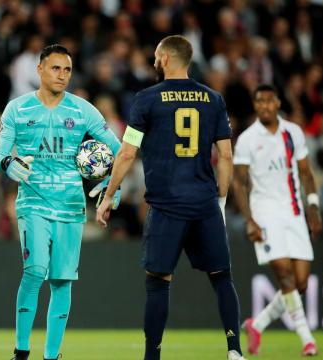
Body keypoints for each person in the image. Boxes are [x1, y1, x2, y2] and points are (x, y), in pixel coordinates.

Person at [96, 35, 245, 360]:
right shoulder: (213, 99)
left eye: (155, 55)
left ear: (164, 58)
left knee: (158, 282)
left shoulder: (147, 99)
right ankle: (234, 350)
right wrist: (219, 199)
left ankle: (153, 356)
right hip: (204, 203)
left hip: (166, 206)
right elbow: (226, 156)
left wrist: (109, 195)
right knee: (221, 277)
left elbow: (127, 152)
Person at [0, 44, 121, 360]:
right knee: (35, 271)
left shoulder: (83, 110)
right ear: (39, 70)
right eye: (55, 68)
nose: (62, 75)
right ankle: (21, 352)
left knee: (62, 281)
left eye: (66, 69)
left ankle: (52, 356)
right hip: (33, 202)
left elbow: (119, 150)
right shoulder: (17, 109)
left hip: (70, 206)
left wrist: (111, 188)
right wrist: (10, 164)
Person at [233, 84, 322, 357]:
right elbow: (239, 182)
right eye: (259, 102)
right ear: (255, 104)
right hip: (266, 214)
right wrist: (250, 220)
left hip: (294, 212)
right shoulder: (248, 139)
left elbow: (306, 173)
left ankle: (256, 324)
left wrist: (314, 208)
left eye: (269, 101)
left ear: (278, 102)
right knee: (284, 275)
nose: (265, 106)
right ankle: (308, 340)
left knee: (301, 282)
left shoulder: (293, 132)